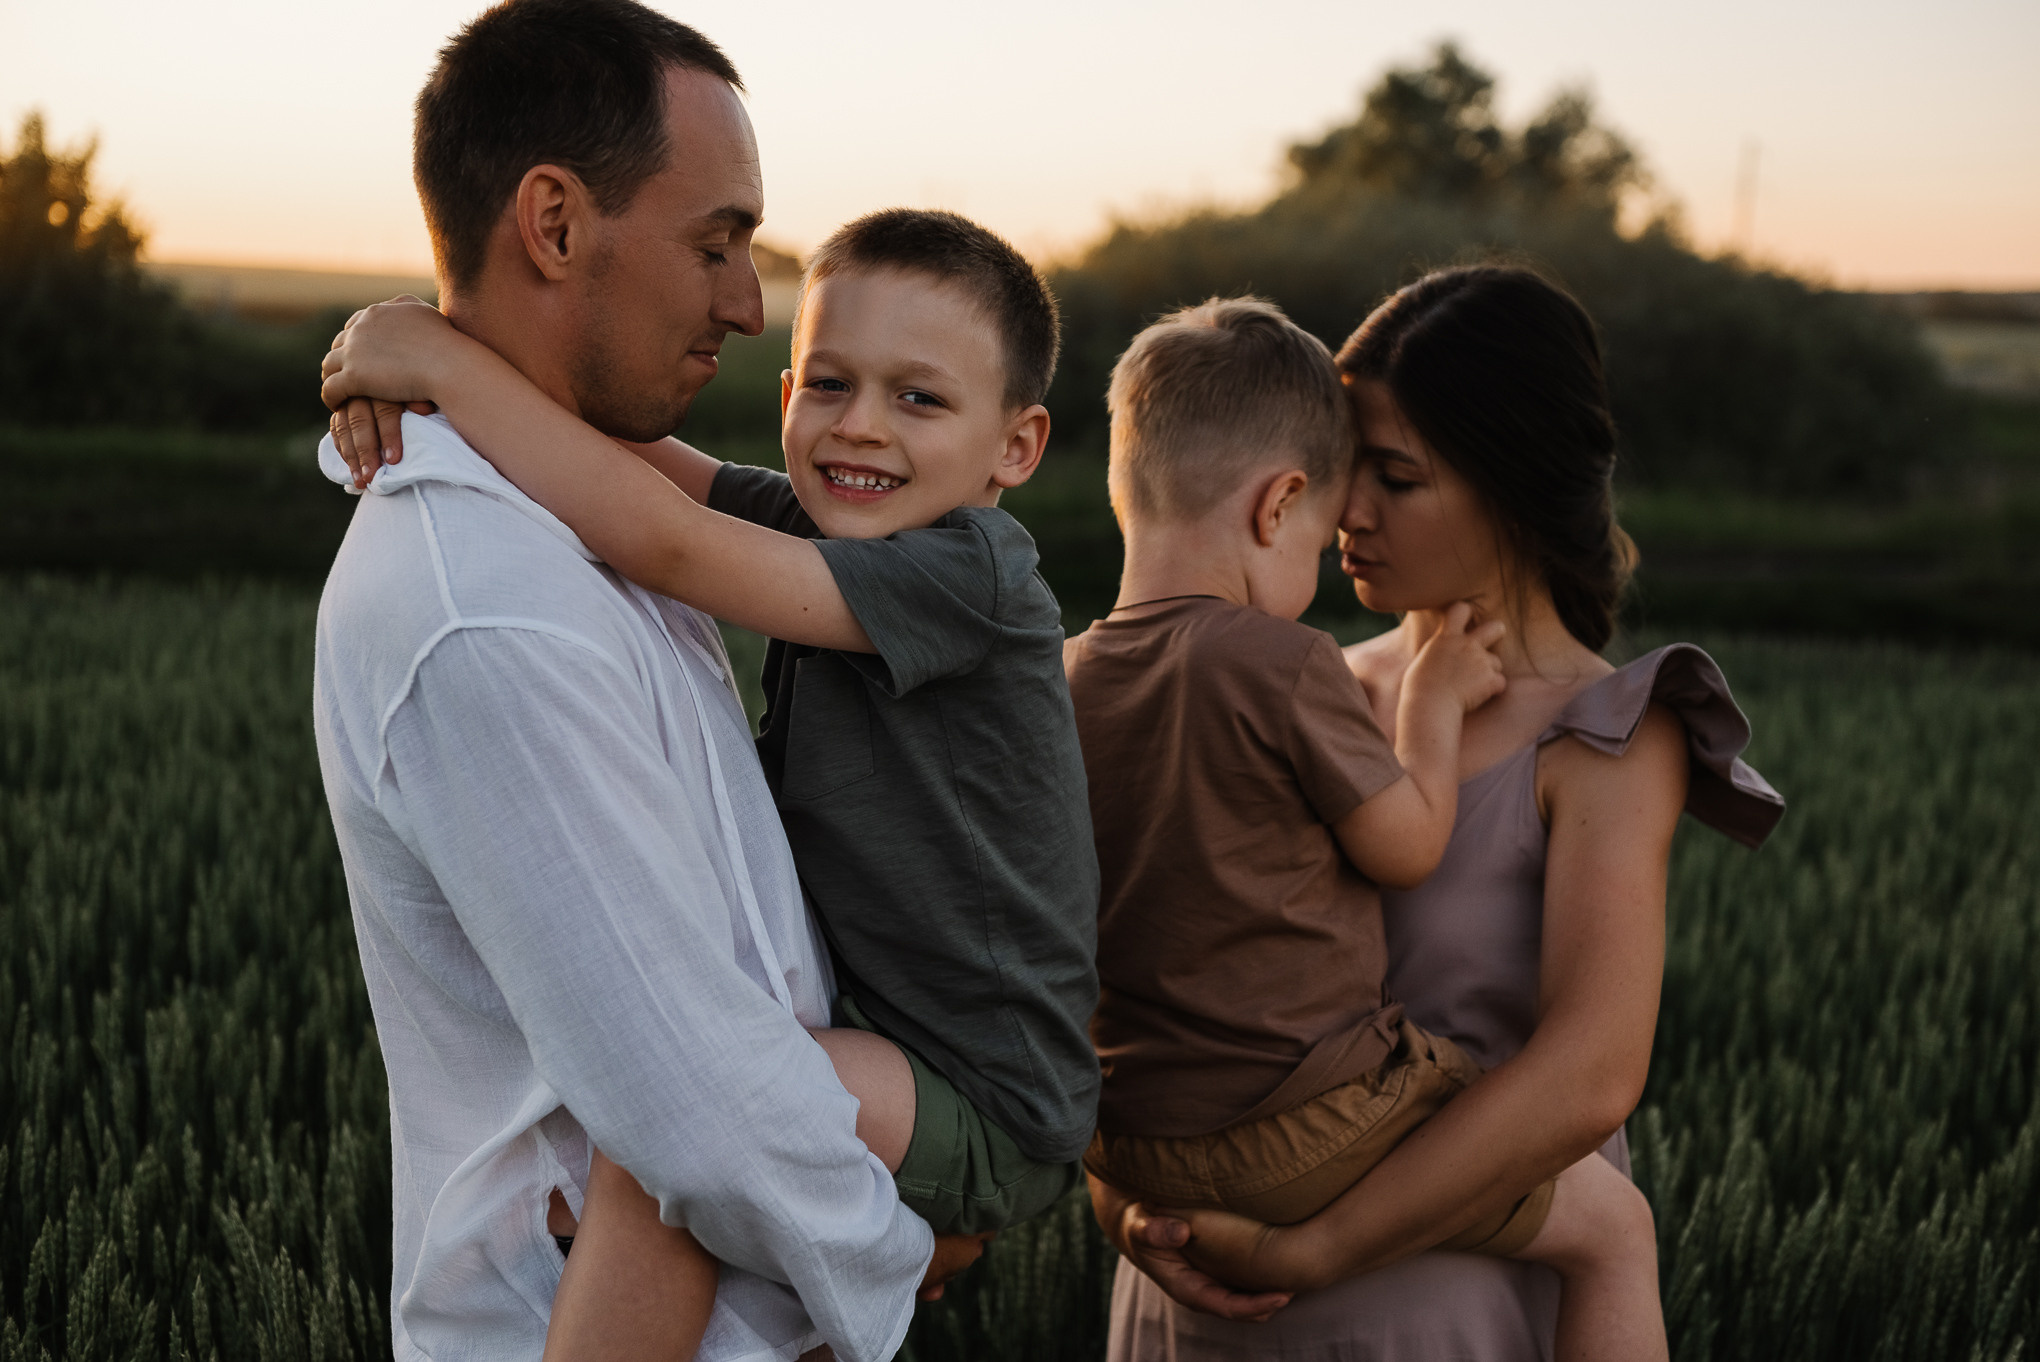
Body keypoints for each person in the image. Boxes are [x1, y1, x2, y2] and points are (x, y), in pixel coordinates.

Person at [309, 4, 985, 1359]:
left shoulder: (584, 515)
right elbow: (701, 1112)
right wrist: (914, 1236)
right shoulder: (487, 608)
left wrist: (427, 352)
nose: (747, 302)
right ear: (554, 224)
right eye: (716, 241)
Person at [1094, 266, 1785, 1361]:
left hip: (1438, 1312)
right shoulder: (1290, 683)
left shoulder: (1607, 735)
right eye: (1341, 463)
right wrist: (1131, 1200)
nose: (1344, 507)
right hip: (1198, 1294)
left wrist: (1318, 1248)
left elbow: (1591, 1074)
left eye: (1395, 476)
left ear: (1513, 488)